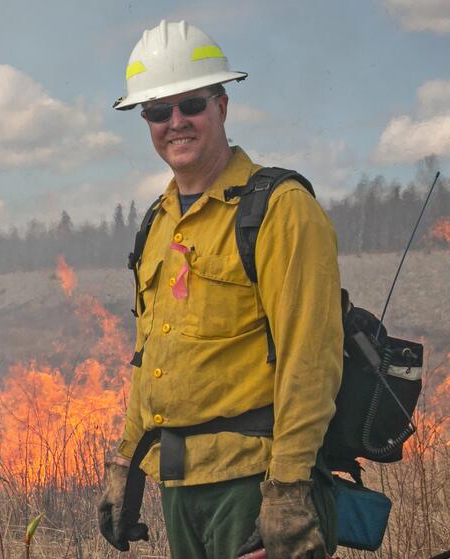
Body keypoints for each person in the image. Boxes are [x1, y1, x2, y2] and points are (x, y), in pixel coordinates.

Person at [98, 19, 343, 559]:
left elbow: (311, 359)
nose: (175, 122)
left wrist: (287, 492)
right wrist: (125, 466)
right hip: (181, 489)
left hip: (253, 485)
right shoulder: (158, 222)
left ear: (222, 107)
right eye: (159, 112)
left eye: (191, 105)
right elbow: (150, 361)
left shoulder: (279, 209)